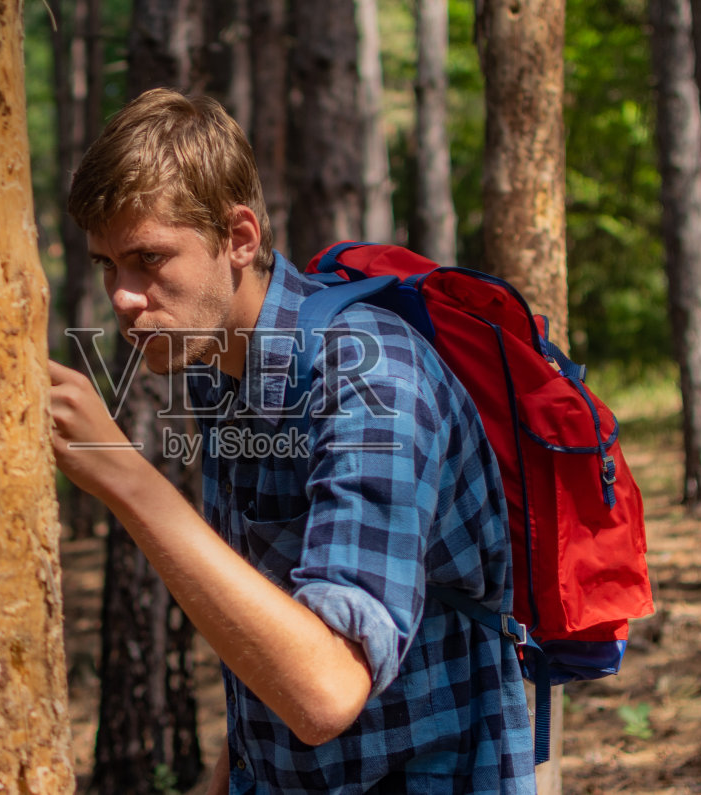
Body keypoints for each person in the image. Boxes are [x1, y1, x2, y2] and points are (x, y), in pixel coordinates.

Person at [48, 88, 535, 794]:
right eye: (106, 266)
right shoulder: (222, 374)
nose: (122, 296)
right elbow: (269, 621)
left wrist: (120, 471)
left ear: (239, 238)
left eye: (148, 258)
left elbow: (326, 690)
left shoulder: (376, 381)